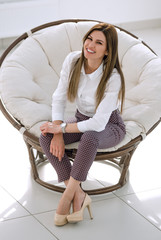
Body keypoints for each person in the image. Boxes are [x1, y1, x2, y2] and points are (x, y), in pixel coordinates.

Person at [39, 22, 126, 226]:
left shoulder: (113, 78)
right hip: (80, 119)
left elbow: (98, 123)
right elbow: (59, 98)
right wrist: (57, 133)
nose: (90, 45)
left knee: (89, 137)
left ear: (107, 51)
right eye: (89, 39)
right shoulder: (73, 60)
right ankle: (79, 193)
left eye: (98, 43)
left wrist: (60, 127)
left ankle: (66, 198)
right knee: (46, 136)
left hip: (109, 125)